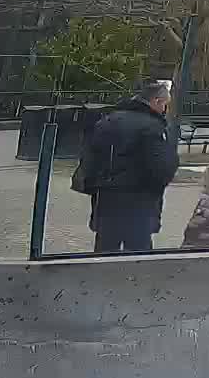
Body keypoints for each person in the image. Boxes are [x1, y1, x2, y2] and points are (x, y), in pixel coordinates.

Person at [72, 78, 178, 253]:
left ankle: (100, 278)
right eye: (165, 104)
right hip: (139, 199)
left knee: (105, 247)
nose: (165, 110)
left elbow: (88, 158)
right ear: (157, 102)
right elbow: (161, 166)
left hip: (105, 198)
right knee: (138, 250)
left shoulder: (107, 121)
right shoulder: (152, 127)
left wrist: (95, 185)